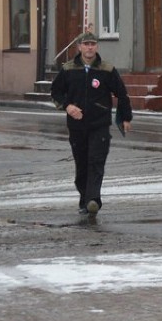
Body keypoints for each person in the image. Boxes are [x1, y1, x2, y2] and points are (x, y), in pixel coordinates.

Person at [50, 31, 132, 216]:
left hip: (99, 124)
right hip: (77, 126)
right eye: (86, 44)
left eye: (92, 44)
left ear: (97, 47)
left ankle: (93, 199)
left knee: (96, 161)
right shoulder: (69, 69)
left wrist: (126, 118)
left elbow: (121, 93)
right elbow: (55, 92)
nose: (89, 47)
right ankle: (85, 198)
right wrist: (67, 107)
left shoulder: (106, 69)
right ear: (79, 47)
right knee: (82, 164)